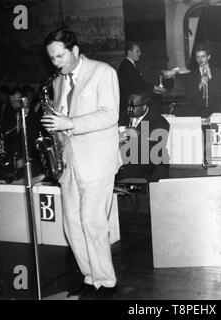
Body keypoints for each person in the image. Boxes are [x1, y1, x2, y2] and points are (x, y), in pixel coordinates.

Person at [41, 28, 121, 299]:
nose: (56, 63)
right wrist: (56, 133)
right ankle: (91, 276)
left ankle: (106, 281)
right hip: (68, 161)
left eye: (60, 56)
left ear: (75, 50)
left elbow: (110, 115)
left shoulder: (103, 72)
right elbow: (61, 120)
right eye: (52, 58)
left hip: (97, 160)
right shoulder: (57, 82)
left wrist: (71, 124)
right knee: (72, 223)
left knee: (92, 221)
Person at [116, 90, 170, 182]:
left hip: (148, 168)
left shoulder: (159, 122)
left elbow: (155, 152)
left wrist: (138, 136)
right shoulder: (122, 117)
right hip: (123, 165)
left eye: (133, 107)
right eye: (128, 106)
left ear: (144, 106)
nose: (129, 109)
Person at [117, 42, 164, 117]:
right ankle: (146, 127)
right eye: (137, 51)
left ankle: (149, 125)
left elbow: (139, 83)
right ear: (129, 52)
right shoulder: (127, 66)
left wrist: (156, 89)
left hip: (135, 98)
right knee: (156, 105)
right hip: (131, 102)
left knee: (156, 101)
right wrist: (157, 89)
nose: (140, 53)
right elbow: (139, 85)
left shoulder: (128, 64)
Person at [182, 44, 221, 117]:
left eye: (203, 56)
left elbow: (220, 93)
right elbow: (189, 97)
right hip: (198, 112)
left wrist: (210, 77)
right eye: (198, 57)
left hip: (215, 111)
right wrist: (199, 85)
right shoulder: (191, 75)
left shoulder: (220, 73)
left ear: (208, 57)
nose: (200, 60)